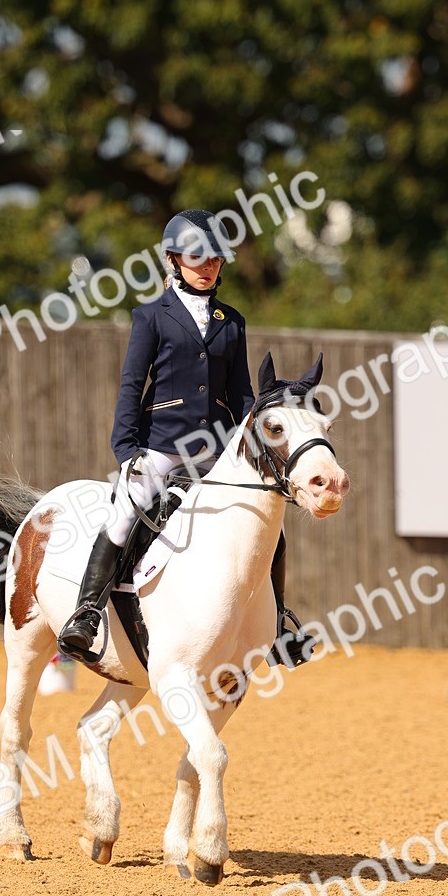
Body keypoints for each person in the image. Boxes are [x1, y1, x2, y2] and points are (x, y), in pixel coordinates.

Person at [57, 207, 312, 667]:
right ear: (174, 260)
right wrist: (126, 448)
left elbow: (239, 393)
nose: (209, 267)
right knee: (123, 515)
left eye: (215, 260)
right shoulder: (151, 316)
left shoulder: (231, 321)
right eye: (199, 259)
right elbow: (132, 385)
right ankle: (87, 614)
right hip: (161, 447)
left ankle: (277, 628)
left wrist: (249, 443)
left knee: (272, 529)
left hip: (217, 451)